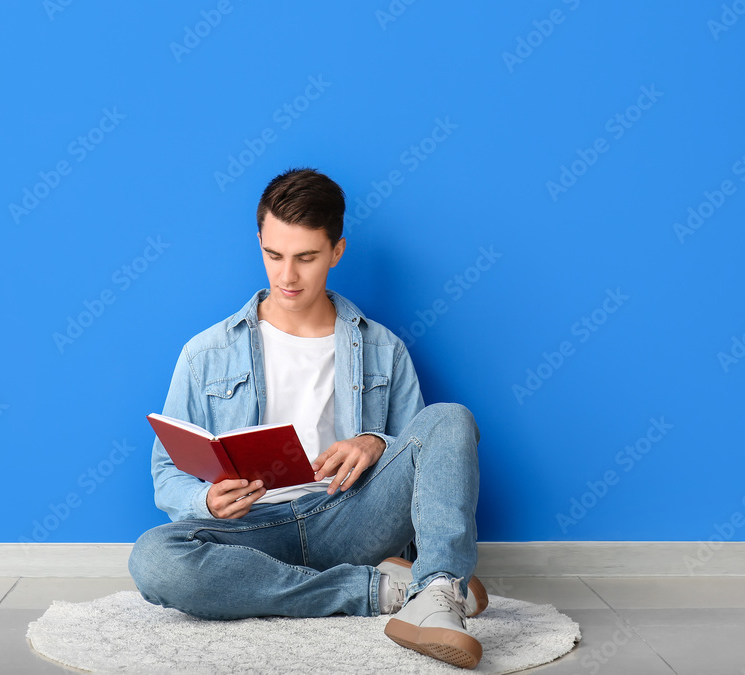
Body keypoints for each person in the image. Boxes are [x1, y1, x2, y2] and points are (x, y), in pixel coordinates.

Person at [128, 167, 485, 669]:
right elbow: (165, 474)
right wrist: (205, 499)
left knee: (451, 417)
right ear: (259, 241)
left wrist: (376, 442)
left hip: (349, 518)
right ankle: (380, 592)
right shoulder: (204, 354)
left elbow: (426, 457)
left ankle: (439, 591)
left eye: (306, 258)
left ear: (337, 252)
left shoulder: (383, 349)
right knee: (153, 559)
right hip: (254, 531)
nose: (287, 276)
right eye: (273, 255)